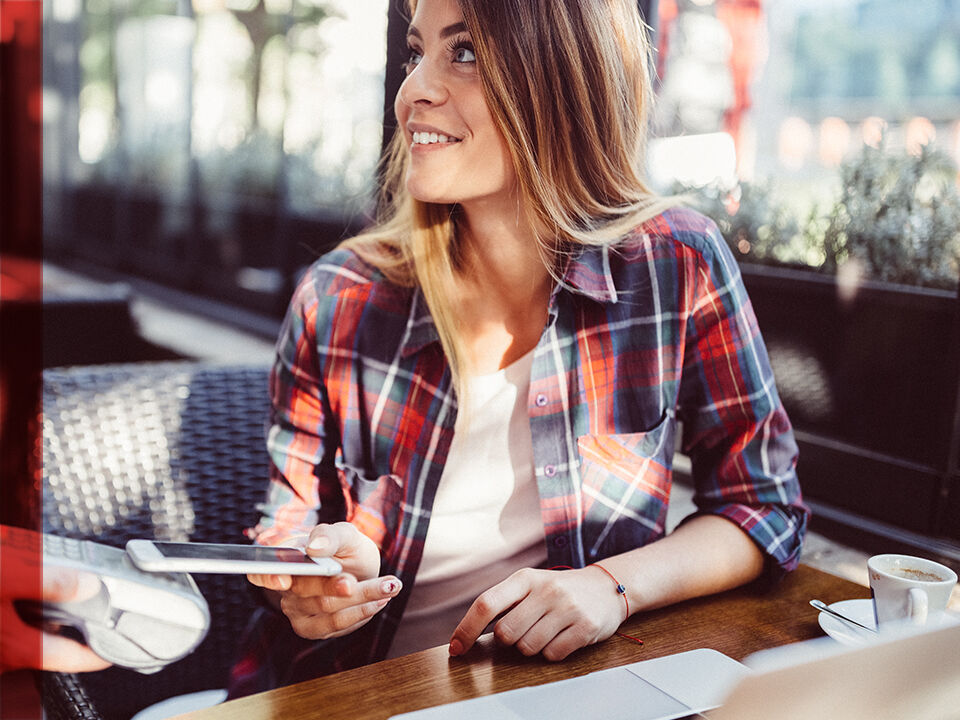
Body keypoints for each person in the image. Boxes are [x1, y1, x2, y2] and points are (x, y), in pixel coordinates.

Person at [229, 0, 808, 696]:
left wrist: (612, 587)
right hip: (354, 695)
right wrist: (310, 583)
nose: (413, 90)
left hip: (574, 698)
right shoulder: (338, 299)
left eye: (463, 52)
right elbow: (281, 533)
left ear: (562, 76)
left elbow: (765, 507)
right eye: (417, 53)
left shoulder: (676, 266)